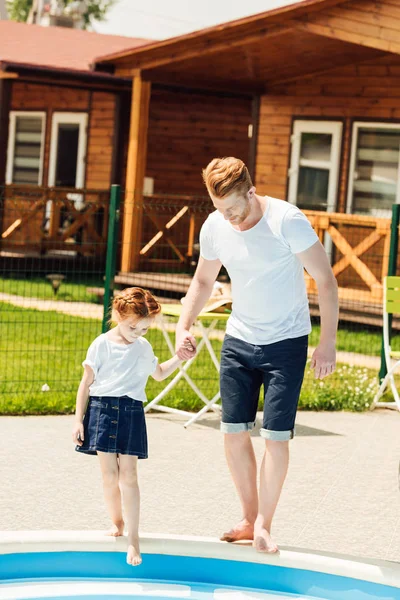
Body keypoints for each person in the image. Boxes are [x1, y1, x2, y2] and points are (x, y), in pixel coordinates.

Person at [175, 157, 338, 554]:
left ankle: (265, 523)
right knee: (232, 434)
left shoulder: (287, 221)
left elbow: (326, 280)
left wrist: (327, 342)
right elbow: (202, 279)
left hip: (286, 342)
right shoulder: (216, 225)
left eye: (232, 207)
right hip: (239, 339)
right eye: (219, 208)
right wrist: (184, 324)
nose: (227, 217)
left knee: (275, 438)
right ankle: (249, 518)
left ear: (250, 191)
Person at [72, 287, 190, 566]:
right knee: (110, 477)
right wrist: (78, 419)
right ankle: (118, 523)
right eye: (133, 327)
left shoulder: (143, 347)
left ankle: (133, 539)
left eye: (145, 330)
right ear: (118, 315)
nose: (138, 333)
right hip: (101, 410)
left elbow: (159, 374)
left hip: (131, 412)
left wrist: (180, 358)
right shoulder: (101, 344)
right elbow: (86, 383)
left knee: (129, 477)